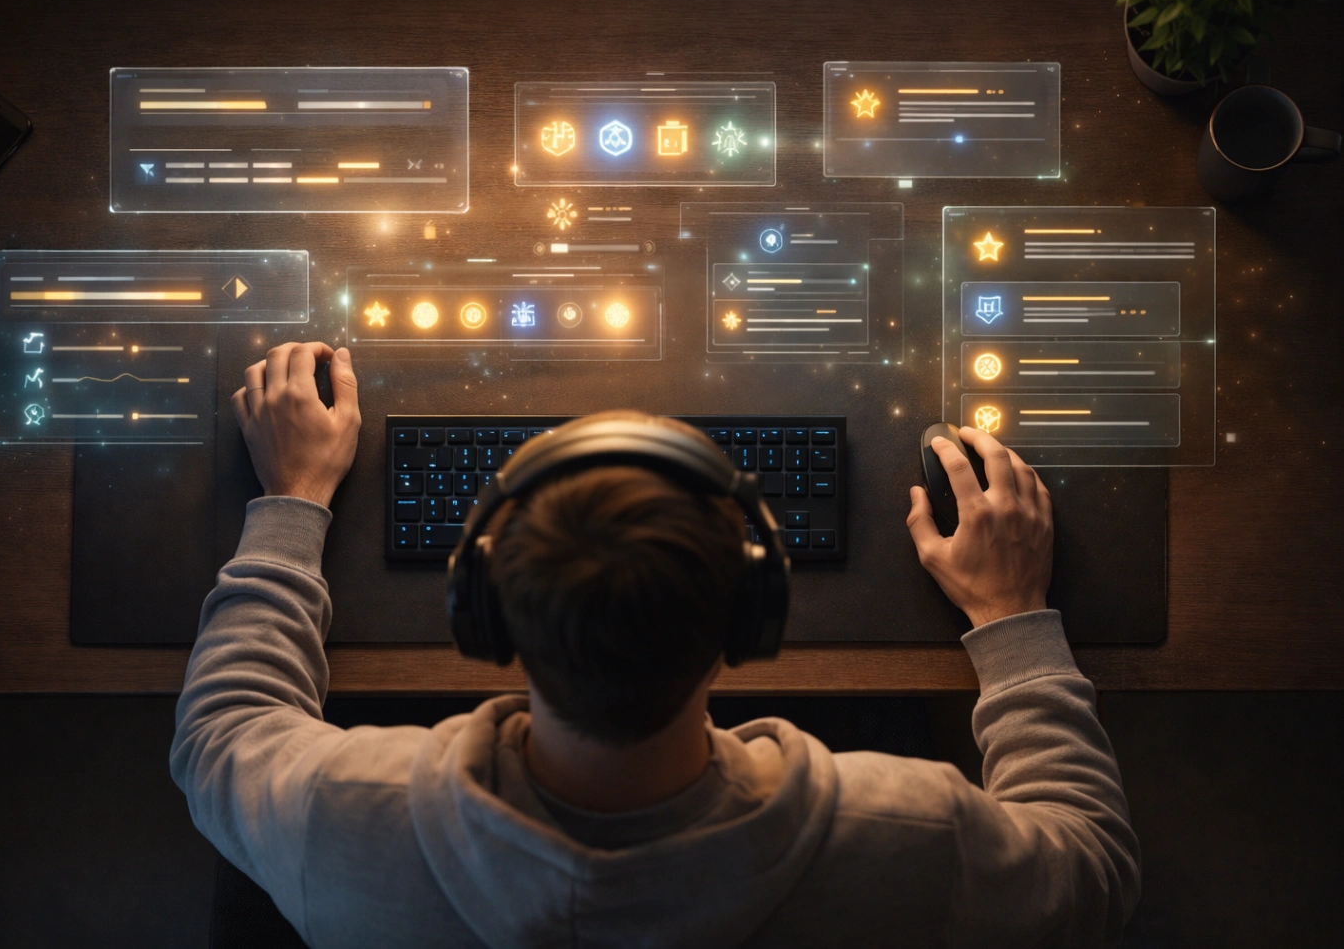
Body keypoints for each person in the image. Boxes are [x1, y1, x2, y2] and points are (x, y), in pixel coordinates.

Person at [171, 342, 1140, 949]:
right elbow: (1092, 871)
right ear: (753, 619)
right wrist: (1012, 619)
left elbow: (221, 730)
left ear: (484, 614)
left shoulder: (336, 815)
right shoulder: (912, 834)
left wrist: (291, 501)